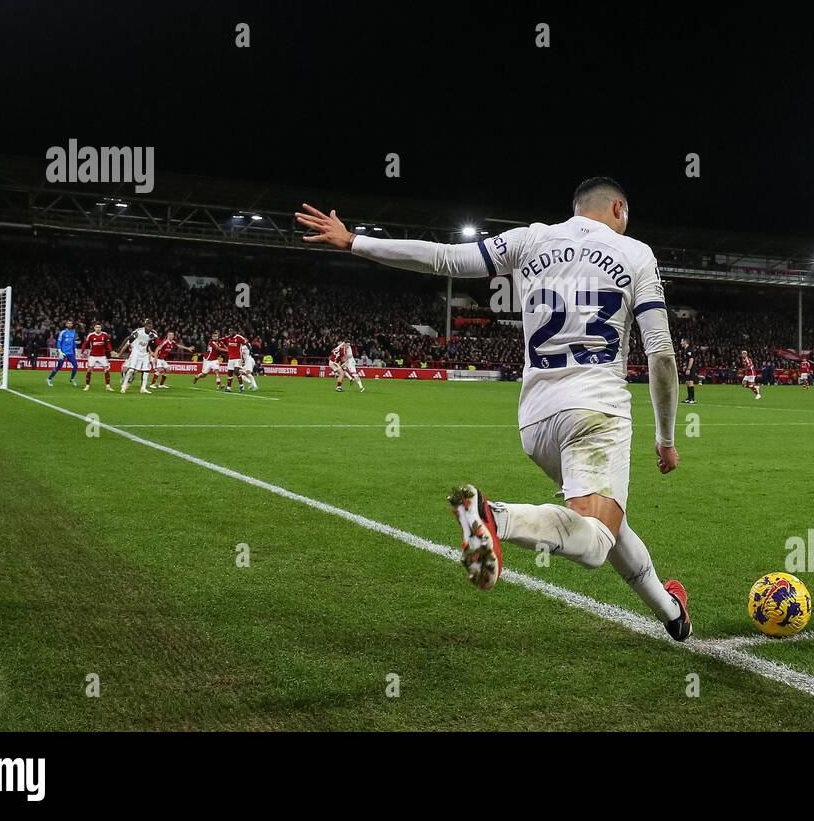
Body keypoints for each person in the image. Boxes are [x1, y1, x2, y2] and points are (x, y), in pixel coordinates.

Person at [295, 176, 692, 640]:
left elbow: (444, 258)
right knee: (594, 544)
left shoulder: (531, 238)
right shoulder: (637, 254)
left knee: (610, 522)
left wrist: (355, 242)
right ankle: (495, 516)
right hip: (595, 413)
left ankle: (672, 613)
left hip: (536, 421)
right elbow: (661, 354)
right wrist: (666, 439)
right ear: (619, 208)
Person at [47, 319, 79, 387]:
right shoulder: (63, 332)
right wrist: (59, 351)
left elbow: (73, 342)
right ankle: (49, 378)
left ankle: (72, 379)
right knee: (59, 366)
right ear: (66, 325)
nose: (70, 324)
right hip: (63, 352)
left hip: (70, 353)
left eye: (71, 323)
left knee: (75, 366)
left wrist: (75, 349)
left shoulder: (73, 332)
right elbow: (59, 342)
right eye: (68, 323)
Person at [82, 322, 113, 391]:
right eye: (96, 327)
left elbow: (108, 343)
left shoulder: (104, 335)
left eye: (99, 327)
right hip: (93, 355)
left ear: (101, 328)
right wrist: (82, 351)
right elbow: (85, 343)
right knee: (89, 369)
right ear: (94, 328)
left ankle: (107, 386)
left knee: (106, 369)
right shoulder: (91, 335)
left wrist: (111, 350)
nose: (98, 329)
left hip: (102, 355)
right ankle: (87, 385)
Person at [680, 337, 697, 404]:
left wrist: (689, 369)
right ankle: (689, 398)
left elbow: (691, 359)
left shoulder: (689, 349)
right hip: (688, 368)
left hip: (691, 368)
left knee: (690, 382)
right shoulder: (686, 350)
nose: (681, 343)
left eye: (682, 341)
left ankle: (692, 399)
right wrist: (685, 366)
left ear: (685, 342)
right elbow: (686, 360)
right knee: (687, 382)